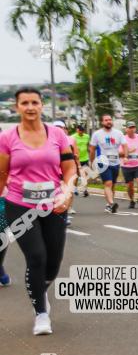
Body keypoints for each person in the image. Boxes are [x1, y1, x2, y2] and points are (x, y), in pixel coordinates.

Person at [0, 88, 76, 335]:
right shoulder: (7, 138)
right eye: (25, 103)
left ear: (42, 105)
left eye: (35, 102)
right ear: (17, 107)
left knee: (53, 262)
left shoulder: (57, 135)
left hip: (54, 205)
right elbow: (1, 174)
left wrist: (67, 192)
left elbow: (69, 169)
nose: (30, 107)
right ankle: (41, 313)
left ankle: (39, 291)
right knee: (36, 256)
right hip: (19, 204)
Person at [89, 114, 124, 213]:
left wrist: (125, 155)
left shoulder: (118, 133)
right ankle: (112, 203)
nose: (108, 121)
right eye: (106, 120)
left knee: (112, 185)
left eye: (110, 120)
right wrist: (92, 162)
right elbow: (92, 149)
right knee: (108, 183)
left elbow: (124, 145)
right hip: (102, 162)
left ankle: (109, 205)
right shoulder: (97, 134)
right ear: (102, 122)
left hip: (115, 162)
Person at [121, 121, 138, 209]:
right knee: (130, 185)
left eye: (133, 127)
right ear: (126, 129)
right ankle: (131, 200)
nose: (132, 129)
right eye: (130, 128)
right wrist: (128, 152)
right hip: (127, 166)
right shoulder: (123, 139)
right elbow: (119, 153)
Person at [71, 124, 91, 197]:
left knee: (85, 175)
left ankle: (85, 190)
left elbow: (88, 145)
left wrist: (90, 152)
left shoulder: (87, 136)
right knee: (76, 175)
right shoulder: (73, 137)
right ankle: (75, 188)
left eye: (83, 131)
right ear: (77, 130)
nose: (81, 132)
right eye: (80, 131)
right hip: (76, 159)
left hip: (85, 158)